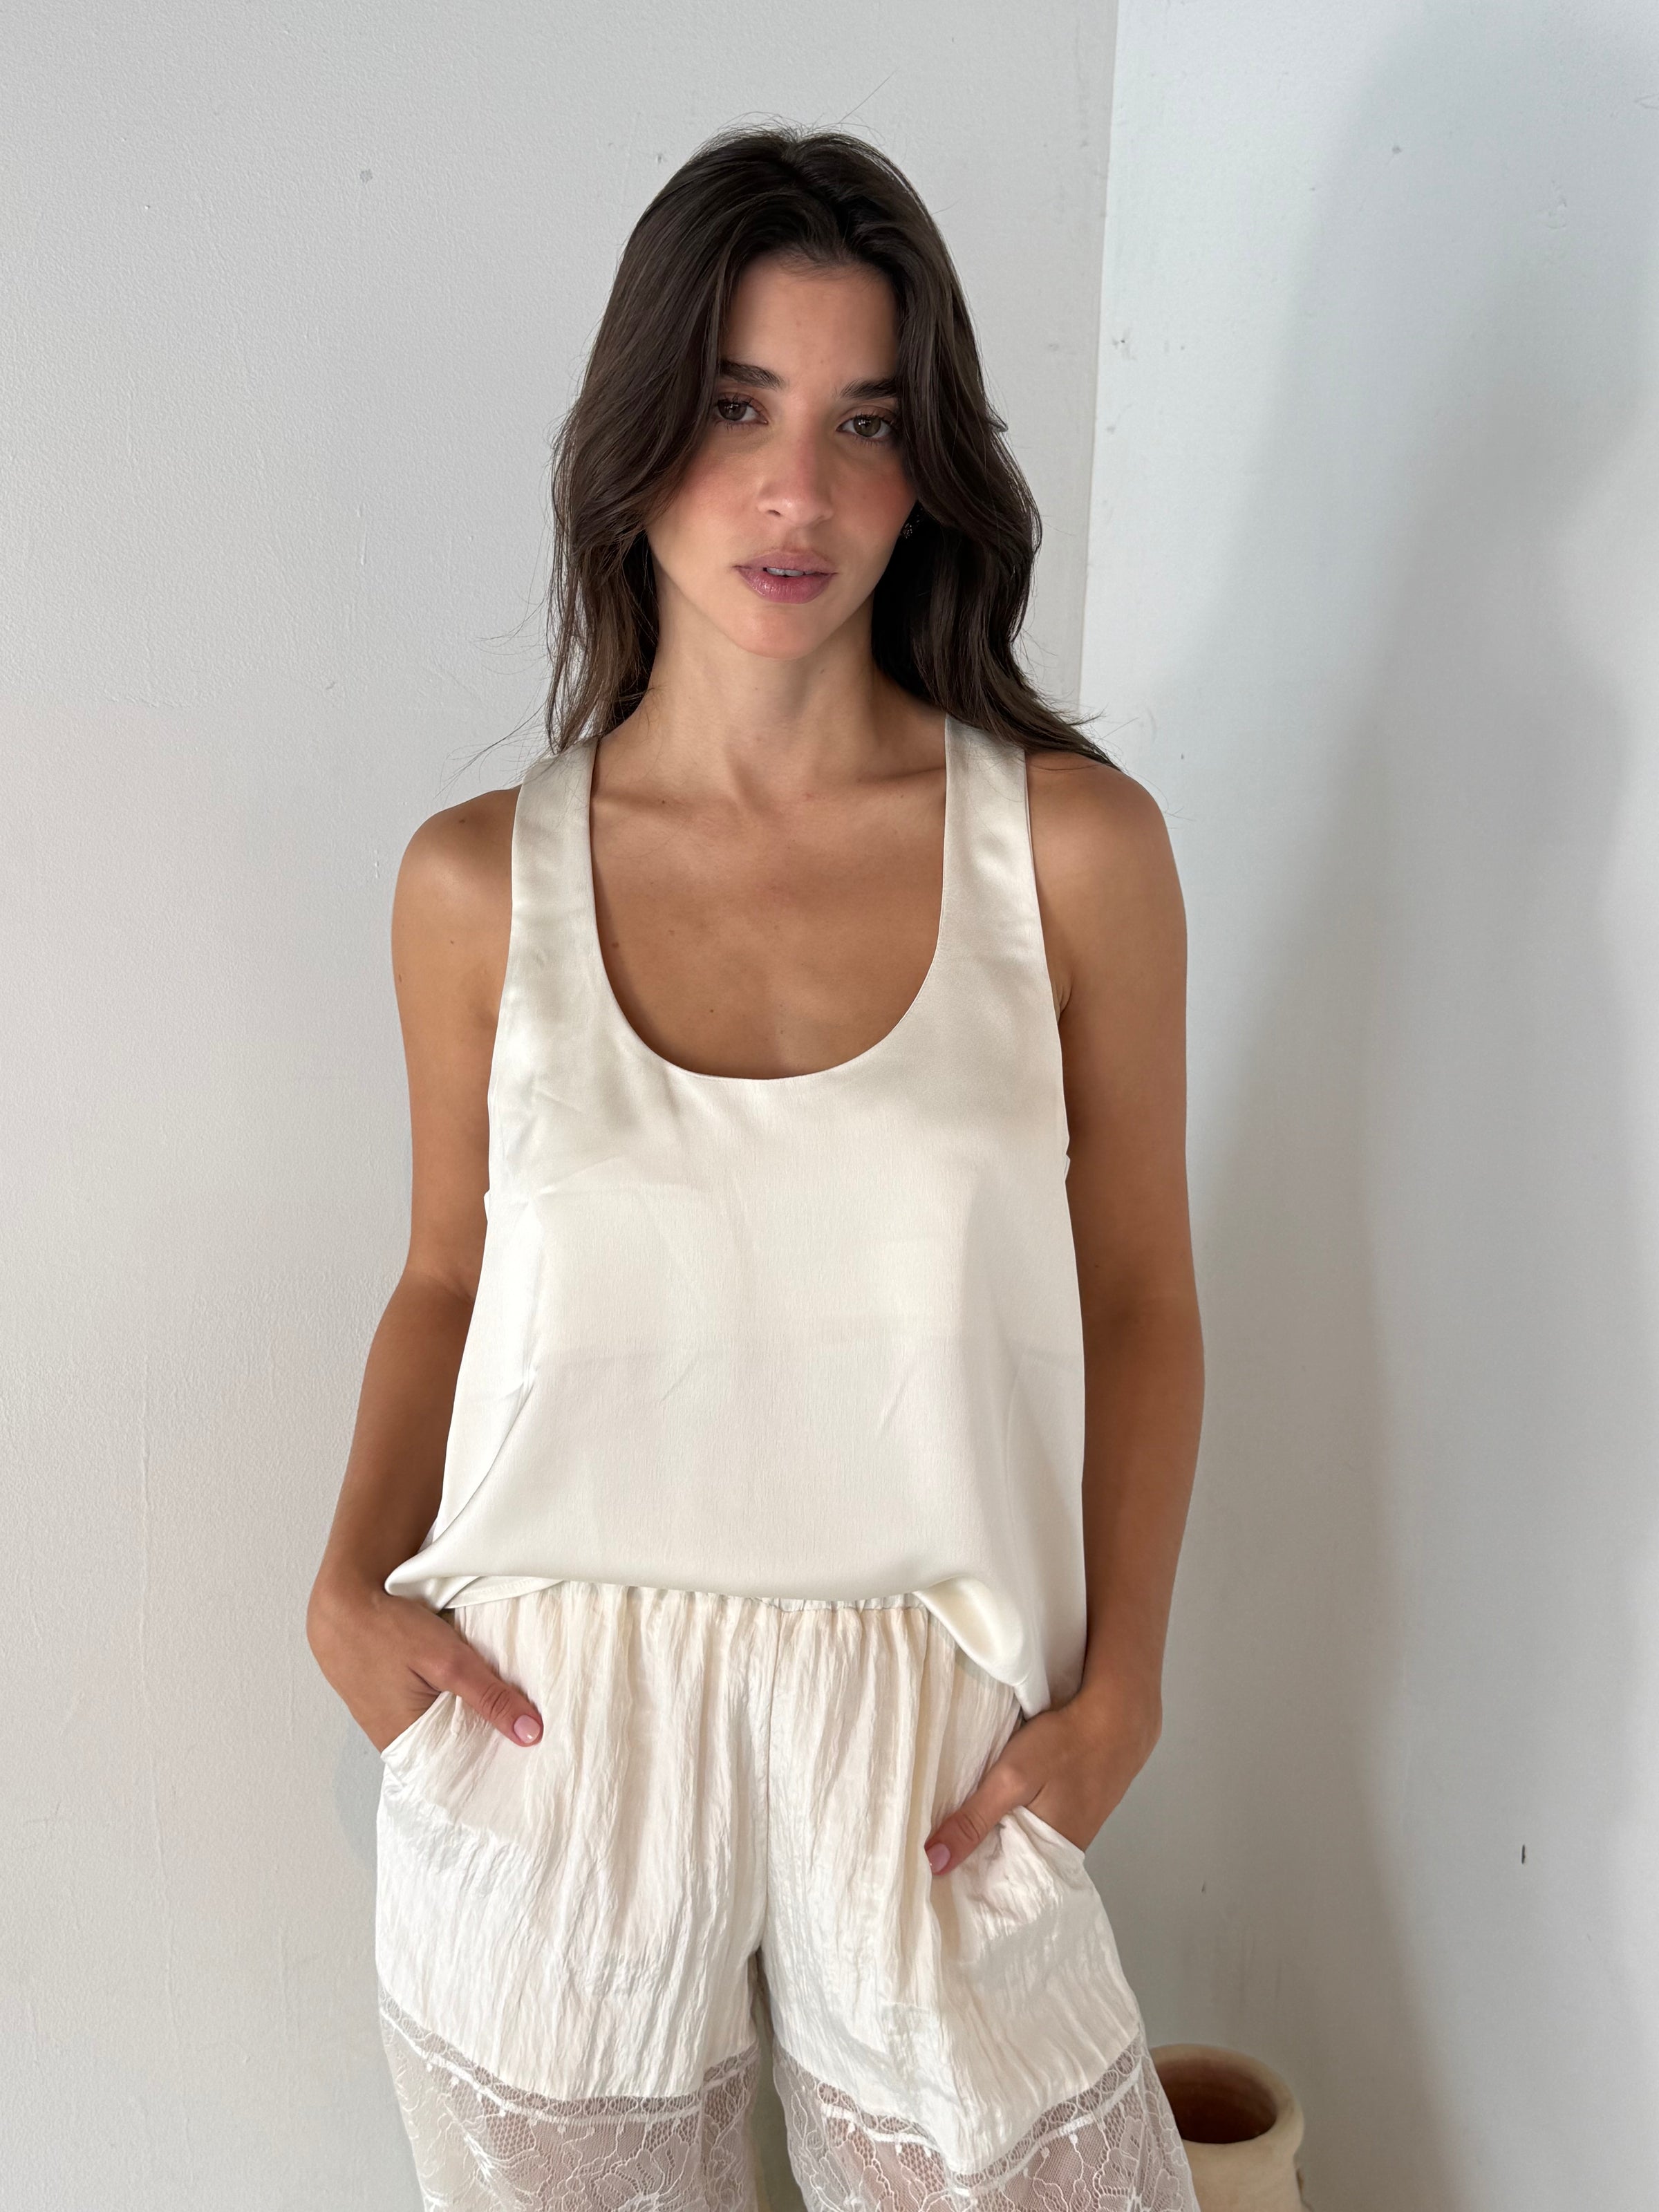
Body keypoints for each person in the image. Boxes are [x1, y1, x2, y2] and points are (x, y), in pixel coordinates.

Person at [307, 123, 1205, 2212]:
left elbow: (1143, 1293)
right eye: (736, 407)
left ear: (928, 467)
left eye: (864, 422)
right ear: (635, 440)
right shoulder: (479, 883)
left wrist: (1127, 1687)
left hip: (937, 1739)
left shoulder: (1069, 852)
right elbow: (444, 1278)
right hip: (555, 1732)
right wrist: (348, 1583)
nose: (798, 491)